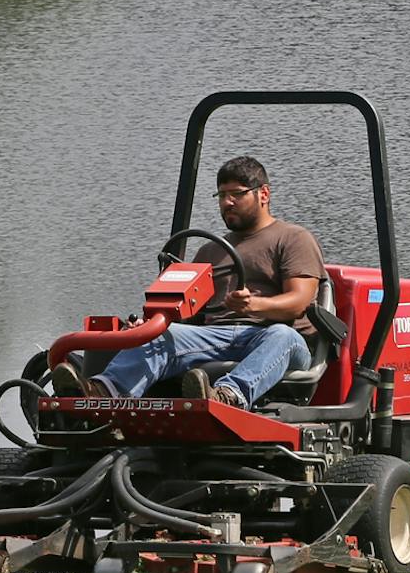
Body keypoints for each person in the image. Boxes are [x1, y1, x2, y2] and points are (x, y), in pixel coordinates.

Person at [48, 156, 324, 410]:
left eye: (237, 194)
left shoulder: (292, 238)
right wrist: (149, 326)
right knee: (160, 335)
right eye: (222, 195)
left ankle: (229, 397)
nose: (227, 202)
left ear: (263, 194)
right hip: (216, 335)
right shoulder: (210, 251)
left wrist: (255, 305)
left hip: (275, 336)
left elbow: (298, 303)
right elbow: (191, 313)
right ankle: (102, 392)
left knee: (282, 336)